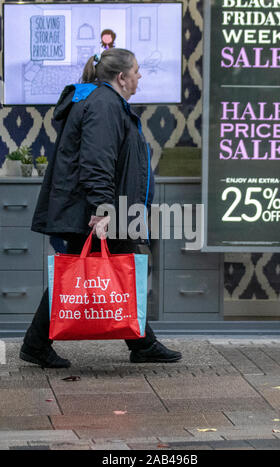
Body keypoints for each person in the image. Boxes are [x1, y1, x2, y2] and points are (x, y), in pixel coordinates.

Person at [19, 48, 182, 368]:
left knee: (101, 269)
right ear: (121, 77)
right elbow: (96, 161)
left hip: (106, 207)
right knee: (82, 272)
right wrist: (103, 210)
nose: (139, 76)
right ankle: (37, 344)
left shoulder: (103, 102)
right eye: (136, 71)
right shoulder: (104, 104)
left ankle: (140, 342)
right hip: (99, 210)